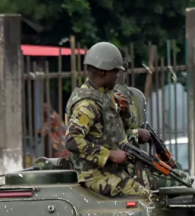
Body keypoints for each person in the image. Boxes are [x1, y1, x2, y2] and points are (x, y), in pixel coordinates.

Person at [64, 42, 153, 198]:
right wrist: (109, 154)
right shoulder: (87, 104)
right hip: (95, 175)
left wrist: (125, 112)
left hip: (114, 170)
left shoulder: (106, 95)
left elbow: (115, 131)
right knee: (146, 199)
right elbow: (72, 140)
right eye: (115, 72)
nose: (118, 76)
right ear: (103, 73)